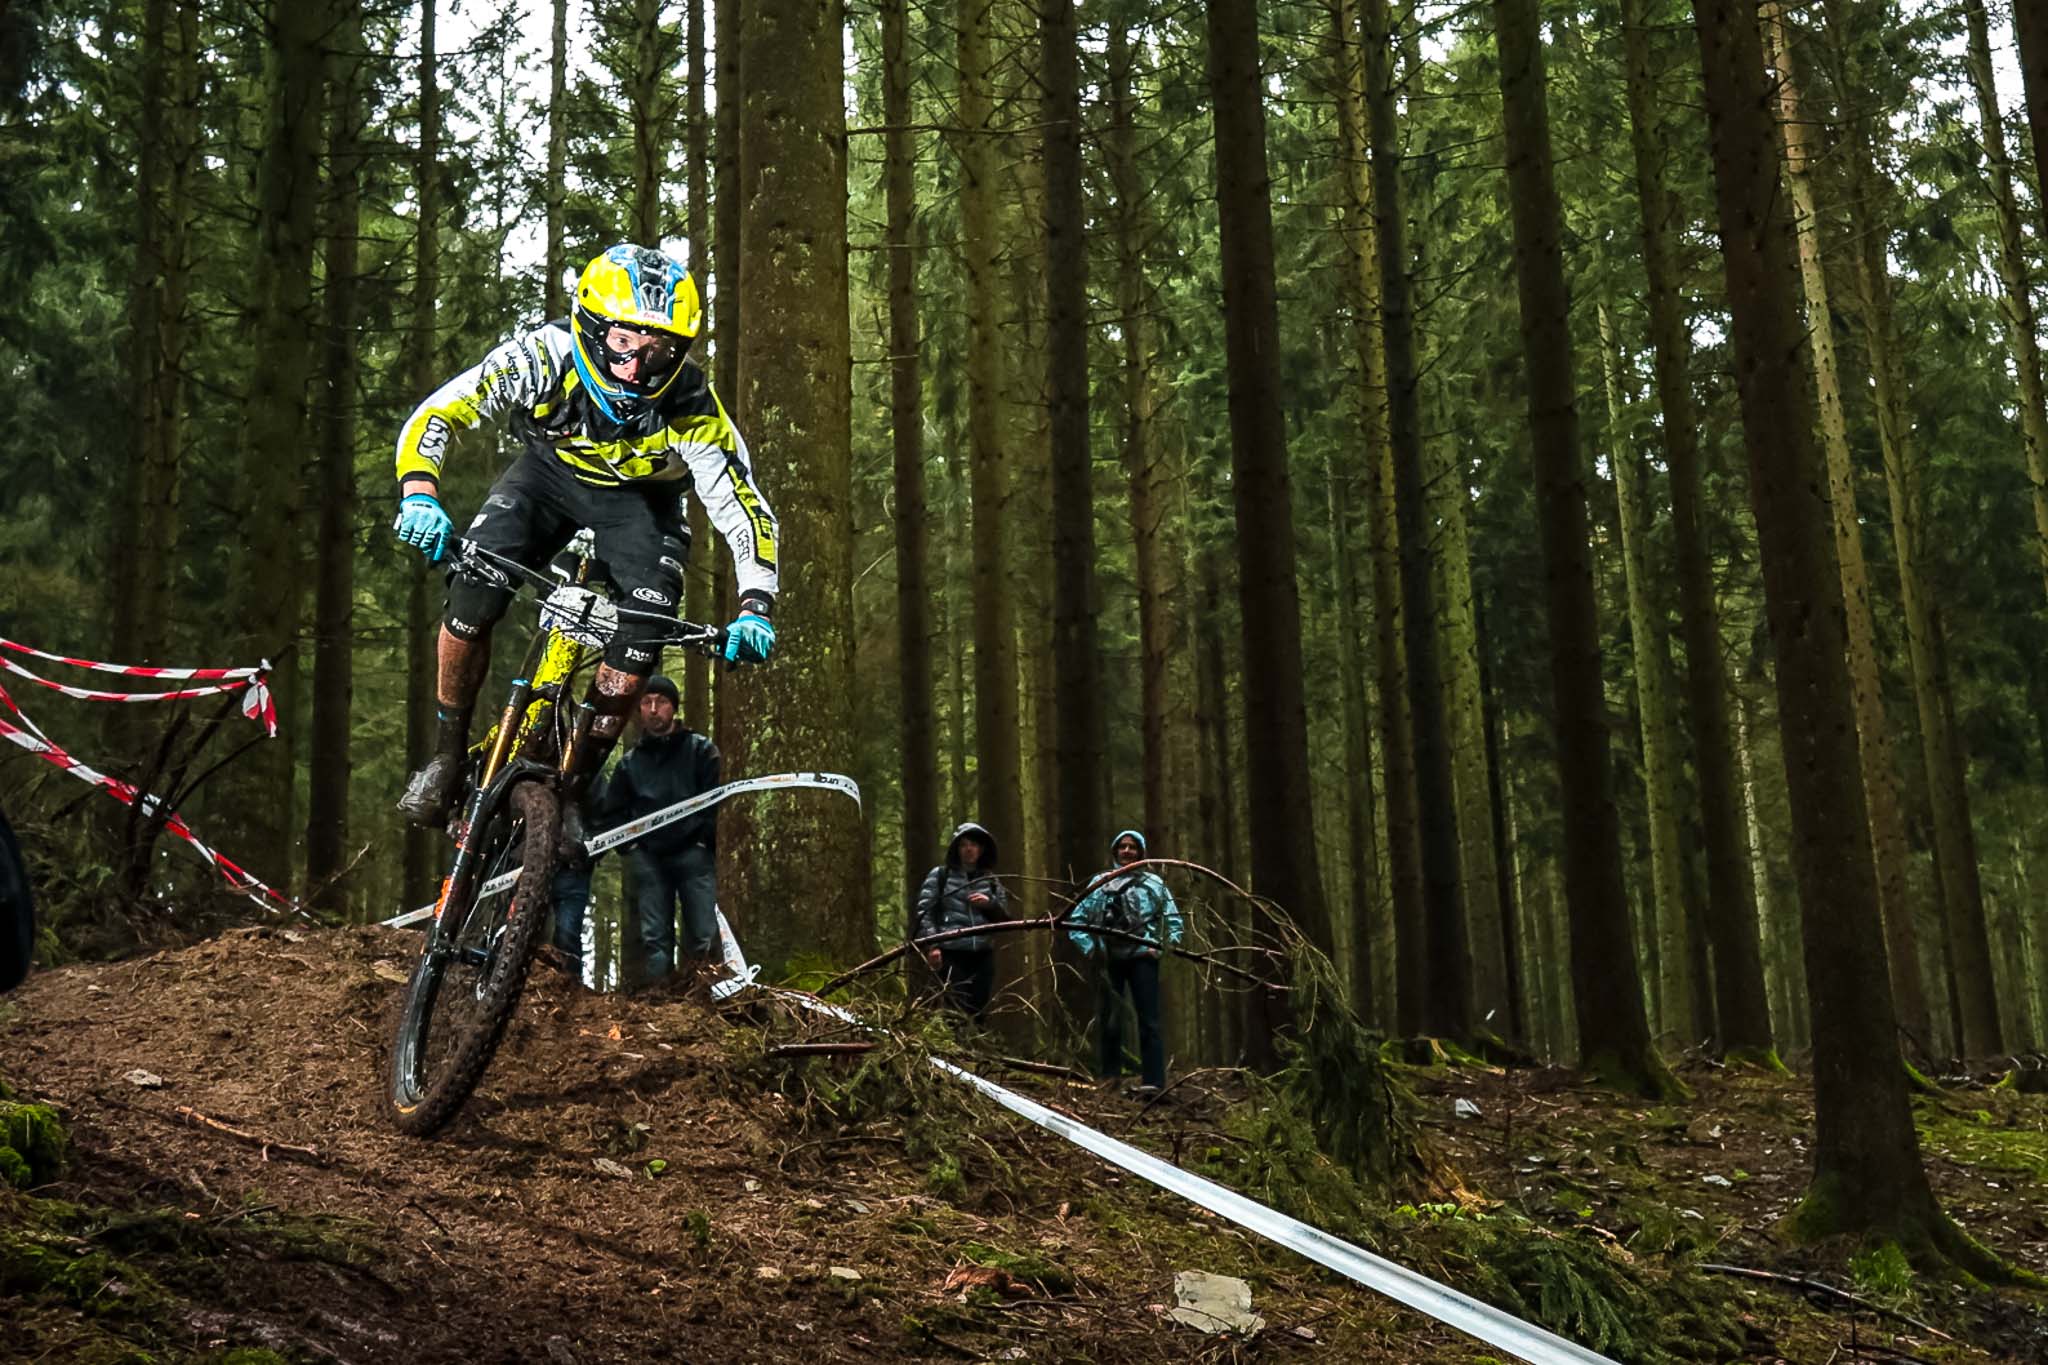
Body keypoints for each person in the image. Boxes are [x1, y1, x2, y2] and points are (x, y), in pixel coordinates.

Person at [390, 242, 779, 827]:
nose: (634, 368)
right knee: (472, 592)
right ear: (591, 328)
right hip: (549, 476)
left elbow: (743, 509)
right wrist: (420, 494)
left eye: (659, 350)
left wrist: (755, 605)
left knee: (640, 642)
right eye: (622, 342)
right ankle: (447, 756)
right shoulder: (544, 355)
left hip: (643, 504)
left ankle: (572, 788)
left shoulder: (693, 407)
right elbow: (439, 412)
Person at [594, 675, 721, 983]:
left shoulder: (700, 750)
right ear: (639, 710)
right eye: (647, 703)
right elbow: (612, 815)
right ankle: (659, 1006)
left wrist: (705, 840)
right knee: (655, 940)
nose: (654, 709)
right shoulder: (629, 764)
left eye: (661, 702)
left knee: (704, 933)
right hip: (649, 859)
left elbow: (719, 800)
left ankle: (706, 997)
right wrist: (633, 850)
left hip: (694, 854)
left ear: (673, 708)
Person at [1065, 829, 1183, 1094]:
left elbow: (1173, 920)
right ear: (1115, 851)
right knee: (1109, 1019)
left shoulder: (1153, 883)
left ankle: (1153, 1081)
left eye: (1132, 847)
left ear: (1141, 852)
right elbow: (1076, 920)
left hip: (1144, 958)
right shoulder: (1099, 882)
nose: (1127, 851)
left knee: (1149, 1020)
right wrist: (1090, 949)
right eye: (1122, 847)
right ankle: (1109, 1077)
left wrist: (1162, 948)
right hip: (1108, 960)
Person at [911, 822, 1008, 1023]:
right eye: (964, 845)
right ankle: (956, 1049)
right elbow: (924, 911)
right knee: (955, 1005)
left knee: (979, 1006)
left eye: (973, 845)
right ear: (957, 849)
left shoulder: (991, 880)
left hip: (982, 953)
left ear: (981, 850)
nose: (969, 849)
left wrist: (989, 904)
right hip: (952, 952)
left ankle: (977, 1049)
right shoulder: (940, 875)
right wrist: (933, 946)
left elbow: (1004, 916)